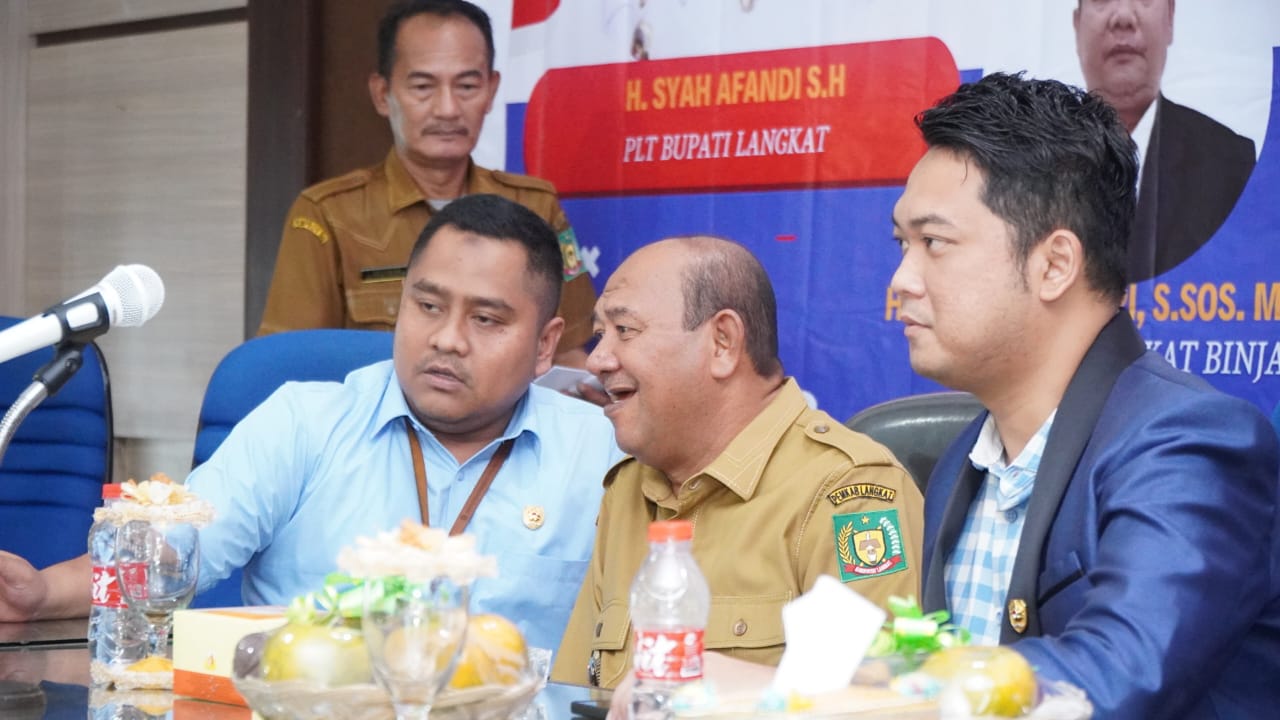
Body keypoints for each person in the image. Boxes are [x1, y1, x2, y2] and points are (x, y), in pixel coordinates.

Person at [0, 194, 622, 653]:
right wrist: (42, 593)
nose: (447, 339)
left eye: (486, 320)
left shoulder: (601, 453)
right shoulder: (304, 422)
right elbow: (170, 551)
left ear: (545, 345)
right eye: (428, 305)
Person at [891, 72, 1280, 719]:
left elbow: (1116, 676)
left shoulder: (1190, 444)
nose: (902, 279)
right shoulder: (963, 460)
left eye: (934, 243)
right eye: (902, 244)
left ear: (1054, 265)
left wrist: (878, 693)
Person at [552, 236, 924, 691]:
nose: (597, 359)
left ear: (722, 342)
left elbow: (870, 701)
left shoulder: (847, 493)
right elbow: (570, 697)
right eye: (599, 334)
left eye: (625, 330)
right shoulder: (628, 489)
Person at [258, 0, 597, 368]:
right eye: (423, 86)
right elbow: (290, 364)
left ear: (491, 89)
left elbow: (566, 354)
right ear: (382, 94)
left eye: (467, 85)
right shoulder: (329, 216)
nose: (447, 108)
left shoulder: (534, 207)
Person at [1073, 0, 1255, 281]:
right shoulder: (1036, 160)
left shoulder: (1231, 163)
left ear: (1170, 18)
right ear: (1077, 25)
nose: (1123, 17)